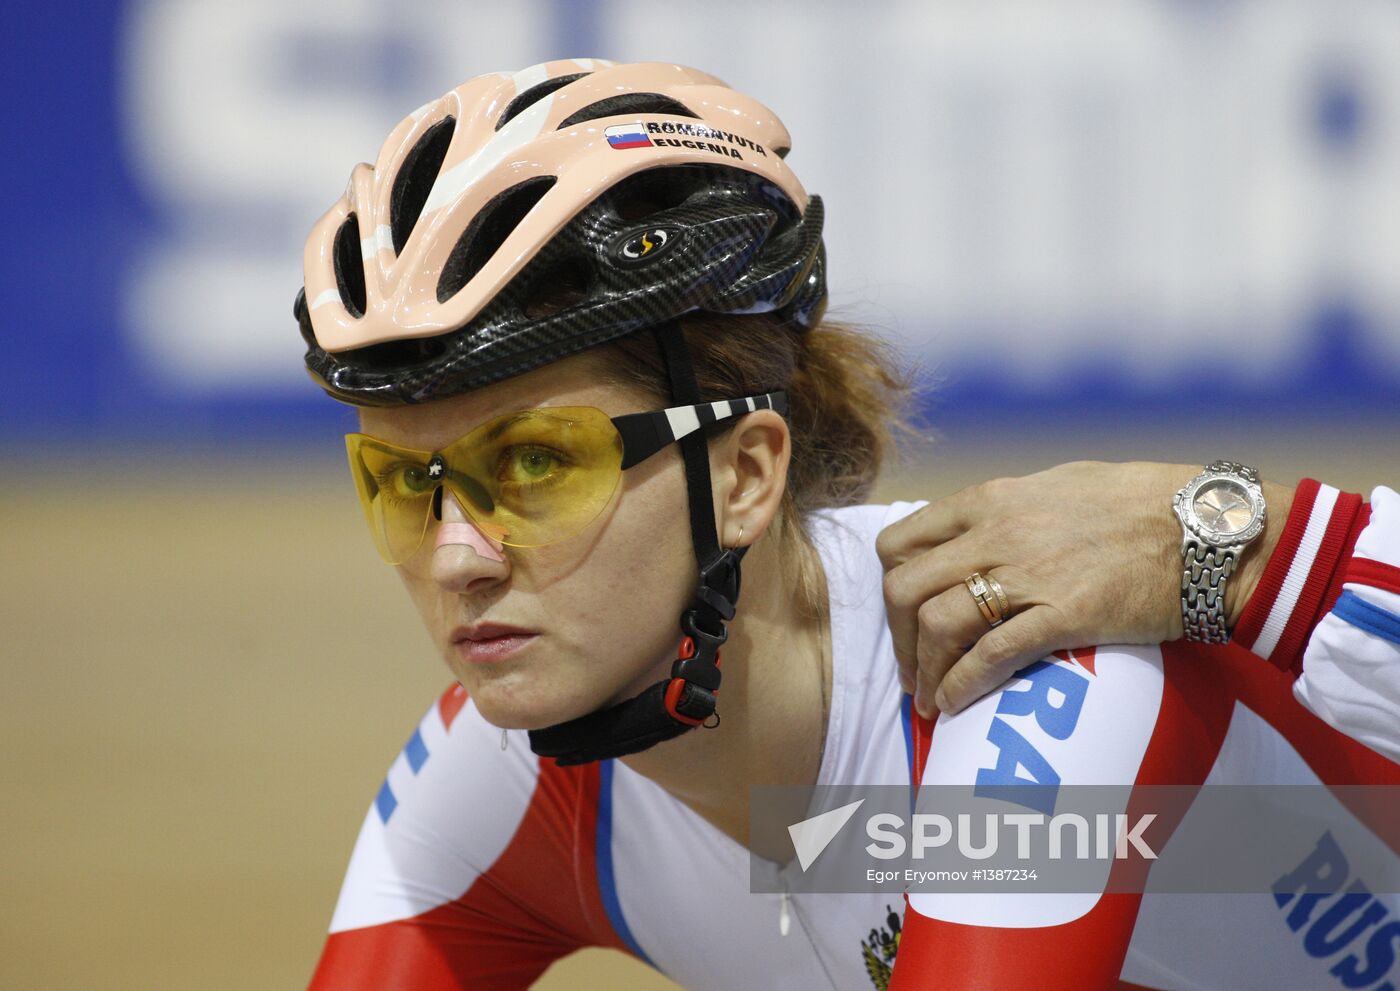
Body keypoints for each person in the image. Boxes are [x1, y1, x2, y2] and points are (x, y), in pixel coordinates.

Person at [295, 60, 1399, 990]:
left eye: (536, 462)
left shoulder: (1008, 669)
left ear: (743, 475)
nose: (453, 556)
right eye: (401, 481)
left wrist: (1253, 547)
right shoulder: (485, 778)